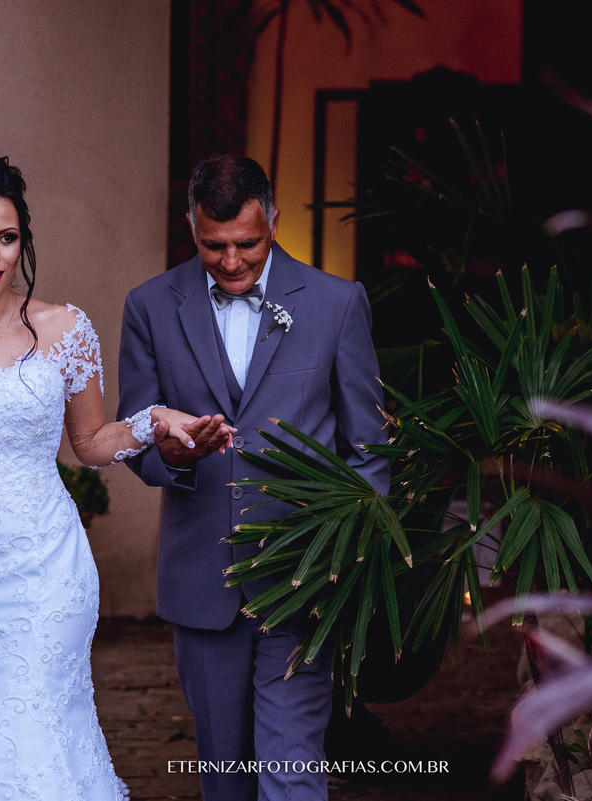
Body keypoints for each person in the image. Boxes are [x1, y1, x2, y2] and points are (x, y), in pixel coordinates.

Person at [0, 150, 232, 801]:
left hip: (43, 569)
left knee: (36, 730)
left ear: (22, 238)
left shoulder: (64, 330)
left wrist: (151, 423)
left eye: (6, 237)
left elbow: (89, 442)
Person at [117, 155, 389, 800]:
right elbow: (135, 436)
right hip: (202, 578)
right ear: (191, 227)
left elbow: (369, 444)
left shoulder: (336, 302)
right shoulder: (150, 306)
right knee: (224, 775)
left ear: (272, 220)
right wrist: (174, 457)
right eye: (214, 246)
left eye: (248, 243)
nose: (232, 261)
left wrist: (349, 543)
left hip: (304, 577)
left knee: (291, 764)